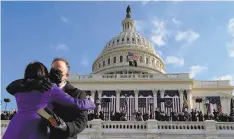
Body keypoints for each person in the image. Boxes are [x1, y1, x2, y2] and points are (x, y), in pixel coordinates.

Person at [3, 62, 96, 139]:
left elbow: (10, 87)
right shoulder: (49, 88)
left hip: (15, 126)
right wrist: (91, 103)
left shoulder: (19, 89)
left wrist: (32, 82)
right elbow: (75, 103)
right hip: (35, 128)